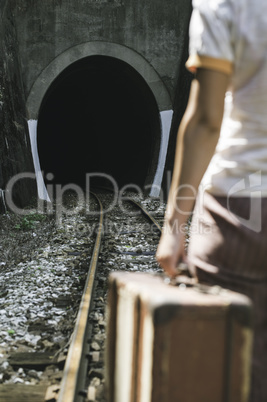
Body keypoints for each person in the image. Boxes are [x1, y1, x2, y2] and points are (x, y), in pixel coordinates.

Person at [156, 0, 267, 401]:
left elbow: (206, 120)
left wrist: (175, 227)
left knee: (225, 368)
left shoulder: (225, 3)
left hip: (240, 209)